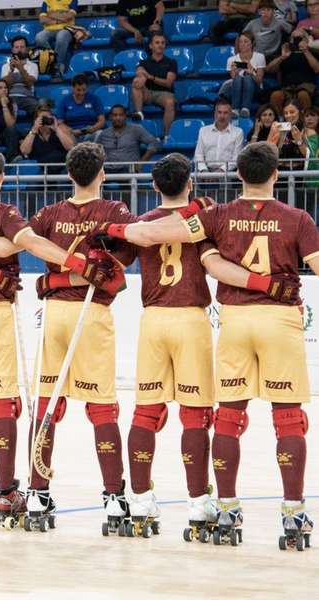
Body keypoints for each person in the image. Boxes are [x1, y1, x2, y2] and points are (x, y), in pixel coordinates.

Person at [98, 141, 319, 548]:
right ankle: (289, 511)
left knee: (219, 417)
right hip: (261, 320)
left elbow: (176, 243)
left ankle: (214, 506)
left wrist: (115, 229)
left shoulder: (214, 216)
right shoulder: (297, 216)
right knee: (286, 418)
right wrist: (273, 283)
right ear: (276, 175)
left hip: (208, 320)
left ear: (238, 175)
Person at [0, 145, 126, 527]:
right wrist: (78, 267)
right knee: (23, 405)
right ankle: (102, 498)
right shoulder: (10, 214)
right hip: (43, 311)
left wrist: (50, 277)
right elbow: (23, 244)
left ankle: (20, 493)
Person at [130, 33, 177, 140]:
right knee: (137, 80)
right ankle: (139, 113)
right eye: (157, 43)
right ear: (151, 46)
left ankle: (167, 135)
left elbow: (168, 83)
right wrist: (142, 76)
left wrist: (150, 77)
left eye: (162, 43)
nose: (160, 45)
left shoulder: (171, 62)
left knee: (170, 102)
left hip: (165, 94)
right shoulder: (144, 62)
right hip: (148, 93)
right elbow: (139, 72)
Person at [93, 105, 160, 172]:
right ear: (110, 117)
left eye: (121, 115)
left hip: (130, 169)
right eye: (115, 115)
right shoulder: (104, 134)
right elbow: (95, 153)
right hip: (108, 170)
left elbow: (154, 143)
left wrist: (141, 163)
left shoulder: (136, 129)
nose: (118, 118)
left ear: (125, 116)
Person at [267, 31, 319, 113]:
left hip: (306, 87)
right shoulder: (286, 51)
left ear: (305, 40)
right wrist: (282, 57)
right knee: (276, 95)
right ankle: (279, 120)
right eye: (294, 38)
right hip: (287, 88)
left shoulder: (311, 51)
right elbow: (269, 69)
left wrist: (306, 51)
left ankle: (306, 118)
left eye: (300, 38)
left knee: (302, 95)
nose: (297, 41)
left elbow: (317, 69)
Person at [219, 32, 265, 117]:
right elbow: (234, 81)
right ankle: (235, 109)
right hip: (237, 89)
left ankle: (245, 108)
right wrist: (235, 72)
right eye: (240, 42)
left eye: (245, 41)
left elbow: (259, 81)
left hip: (255, 89)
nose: (242, 44)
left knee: (247, 77)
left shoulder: (259, 57)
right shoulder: (231, 59)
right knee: (239, 78)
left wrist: (251, 72)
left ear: (252, 44)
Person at [19, 105, 76, 173]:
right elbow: (24, 151)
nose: (46, 120)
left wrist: (56, 129)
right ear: (36, 120)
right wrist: (34, 129)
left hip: (62, 168)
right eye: (43, 118)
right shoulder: (32, 133)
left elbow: (71, 147)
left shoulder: (60, 128)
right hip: (43, 169)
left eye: (48, 117)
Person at [193, 99, 245, 172]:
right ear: (215, 114)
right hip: (205, 171)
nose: (222, 116)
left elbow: (236, 158)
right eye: (219, 112)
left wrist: (221, 170)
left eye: (225, 113)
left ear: (230, 115)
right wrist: (204, 170)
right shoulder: (203, 131)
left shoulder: (238, 132)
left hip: (227, 172)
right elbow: (198, 155)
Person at [36, 0, 79, 79]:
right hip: (49, 30)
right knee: (39, 37)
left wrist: (50, 14)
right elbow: (42, 19)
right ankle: (51, 61)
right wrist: (58, 19)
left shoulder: (72, 0)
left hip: (66, 29)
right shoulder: (47, 1)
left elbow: (69, 17)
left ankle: (58, 67)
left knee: (61, 36)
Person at [56, 74, 105, 140]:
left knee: (100, 133)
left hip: (91, 132)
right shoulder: (65, 101)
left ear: (87, 88)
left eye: (84, 89)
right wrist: (71, 131)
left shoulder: (94, 99)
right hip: (72, 133)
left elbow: (101, 121)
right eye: (78, 90)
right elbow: (60, 123)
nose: (81, 93)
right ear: (73, 88)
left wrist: (93, 128)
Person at [0, 36, 40, 116]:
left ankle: (35, 128)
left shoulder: (33, 65)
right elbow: (5, 86)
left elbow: (29, 83)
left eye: (22, 47)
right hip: (9, 98)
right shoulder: (5, 66)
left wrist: (20, 68)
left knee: (38, 108)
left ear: (27, 49)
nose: (19, 49)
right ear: (12, 50)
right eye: (16, 47)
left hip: (27, 98)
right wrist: (11, 70)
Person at [268, 100, 308, 170]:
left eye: (292, 112)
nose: (288, 115)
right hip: (281, 173)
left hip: (298, 173)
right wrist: (272, 133)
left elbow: (310, 156)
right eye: (286, 113)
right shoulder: (281, 129)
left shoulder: (306, 130)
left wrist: (299, 141)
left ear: (300, 112)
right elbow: (267, 151)